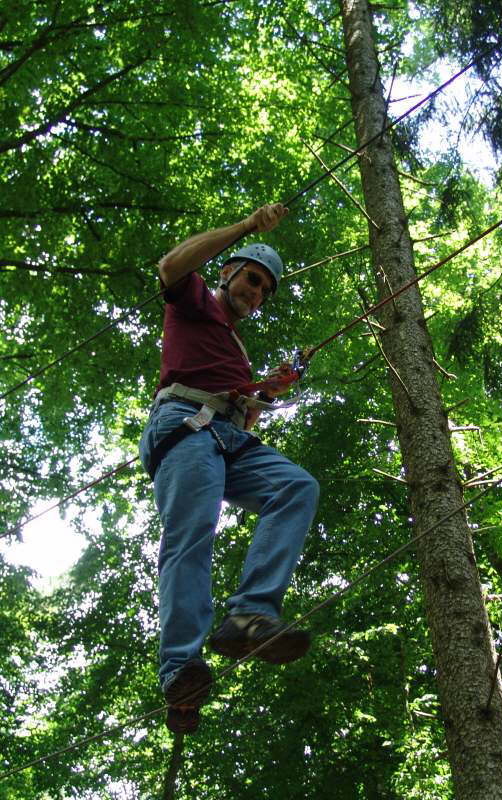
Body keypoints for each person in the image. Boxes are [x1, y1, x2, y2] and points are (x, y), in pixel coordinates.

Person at [139, 203, 320, 734]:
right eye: (251, 278)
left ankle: (249, 615)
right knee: (191, 534)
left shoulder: (236, 348)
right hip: (188, 427)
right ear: (227, 272)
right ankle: (180, 670)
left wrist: (264, 390)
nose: (256, 291)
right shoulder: (196, 301)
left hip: (229, 434)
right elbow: (171, 265)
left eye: (264, 288)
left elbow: (238, 403)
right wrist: (245, 228)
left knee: (296, 487)